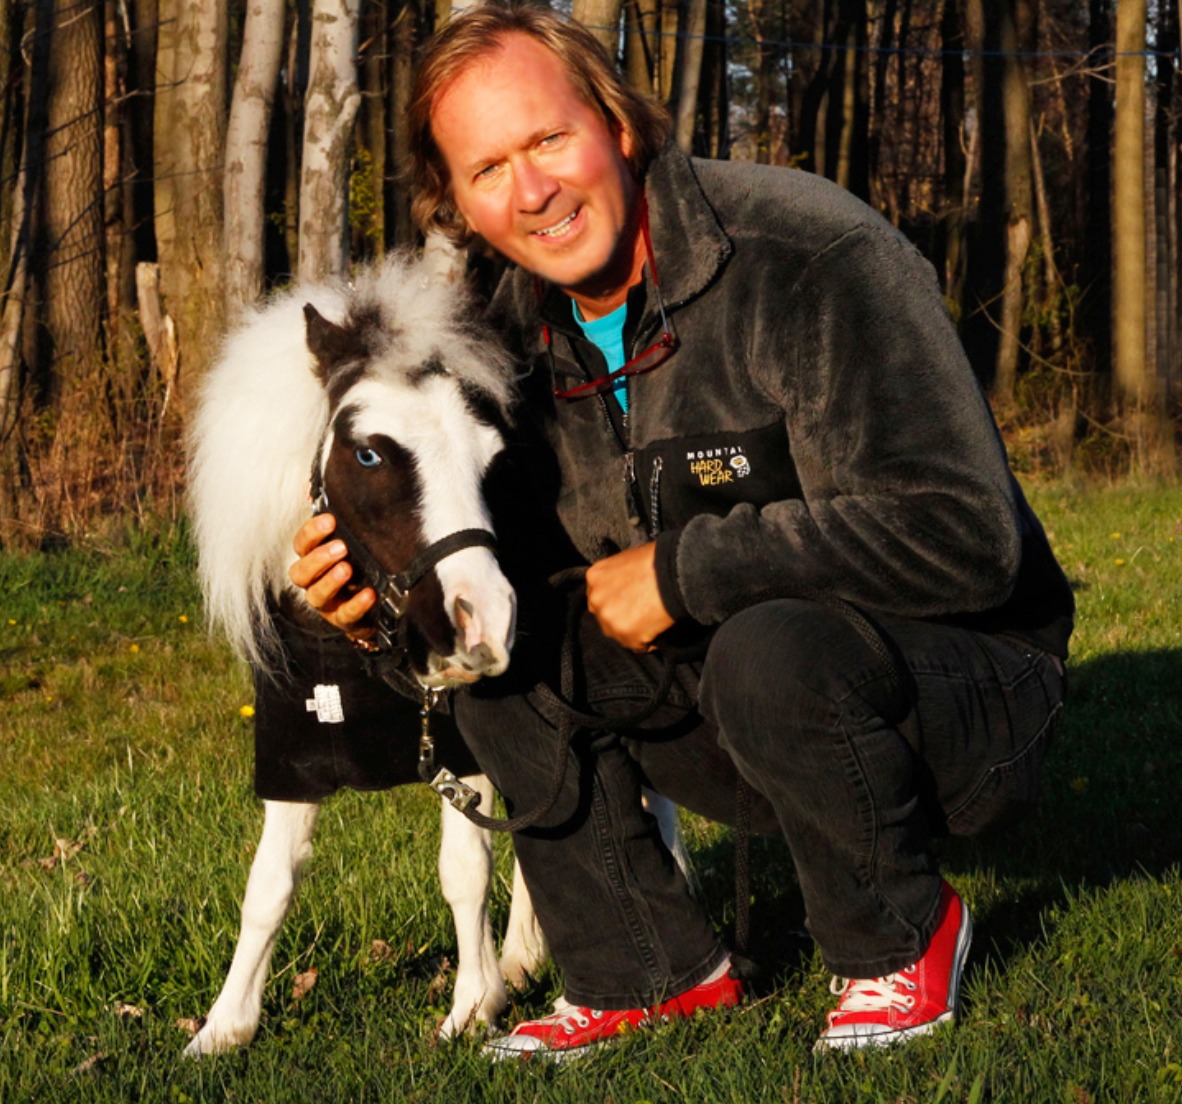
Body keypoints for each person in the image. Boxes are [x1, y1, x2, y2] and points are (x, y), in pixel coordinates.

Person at [290, 1, 1074, 1060]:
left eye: (549, 139)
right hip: (734, 716)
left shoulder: (812, 252)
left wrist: (691, 569)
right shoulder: (500, 348)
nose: (534, 192)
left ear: (617, 121)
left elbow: (970, 536)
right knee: (510, 651)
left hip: (964, 698)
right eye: (488, 171)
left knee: (766, 643)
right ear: (460, 205)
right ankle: (644, 973)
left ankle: (899, 940)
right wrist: (379, 617)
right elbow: (491, 629)